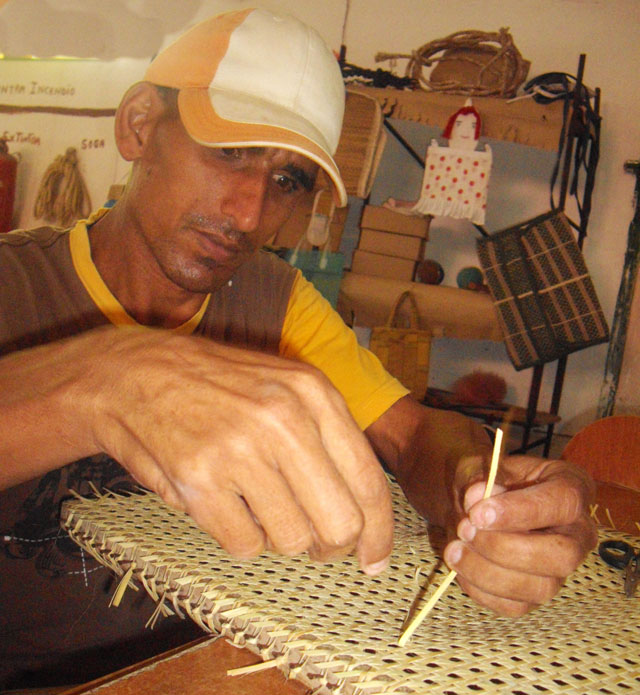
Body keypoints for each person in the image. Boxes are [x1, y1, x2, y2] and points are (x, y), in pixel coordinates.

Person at [0, 7, 597, 691]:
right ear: (140, 125)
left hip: (224, 670)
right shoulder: (13, 286)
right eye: (231, 151)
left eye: (289, 181)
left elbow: (409, 436)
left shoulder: (274, 302)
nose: (250, 213)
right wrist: (103, 378)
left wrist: (475, 486)